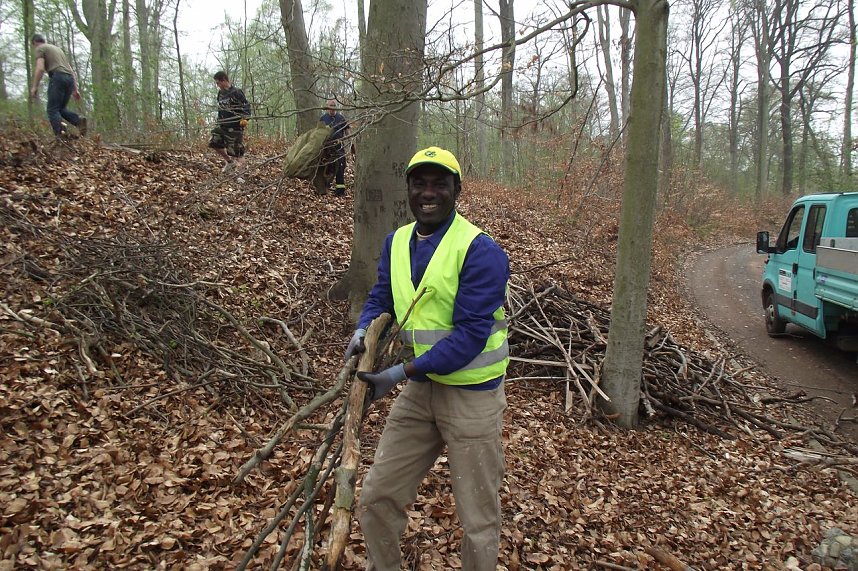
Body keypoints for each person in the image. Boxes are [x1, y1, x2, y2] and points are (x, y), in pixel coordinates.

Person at [343, 146, 510, 571]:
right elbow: (382, 294)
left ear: (457, 190)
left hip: (472, 396)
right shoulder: (396, 242)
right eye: (420, 183)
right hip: (422, 390)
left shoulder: (479, 249)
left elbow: (472, 335)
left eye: (440, 183)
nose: (429, 192)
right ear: (409, 190)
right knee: (377, 497)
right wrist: (363, 329)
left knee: (477, 519)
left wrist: (399, 372)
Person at [28, 34, 87, 139]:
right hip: (69, 79)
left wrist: (34, 87)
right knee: (60, 108)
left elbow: (40, 68)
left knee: (52, 110)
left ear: (35, 43)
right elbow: (71, 70)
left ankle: (62, 136)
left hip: (58, 77)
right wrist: (75, 89)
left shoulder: (40, 48)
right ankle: (78, 120)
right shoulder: (58, 50)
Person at [208, 71, 251, 173]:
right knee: (214, 142)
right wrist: (219, 120)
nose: (217, 85)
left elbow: (246, 106)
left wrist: (244, 119)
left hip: (235, 127)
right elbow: (220, 108)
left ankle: (241, 174)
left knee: (237, 152)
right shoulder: (221, 93)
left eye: (218, 83)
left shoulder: (236, 92)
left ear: (224, 80)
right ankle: (229, 162)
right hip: (223, 125)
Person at [319, 98, 350, 196]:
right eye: (330, 106)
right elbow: (318, 133)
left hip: (339, 148)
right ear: (327, 107)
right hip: (327, 149)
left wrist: (351, 144)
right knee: (326, 168)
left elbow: (348, 132)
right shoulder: (323, 119)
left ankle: (340, 190)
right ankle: (324, 188)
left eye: (333, 106)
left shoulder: (341, 118)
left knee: (340, 168)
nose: (332, 108)